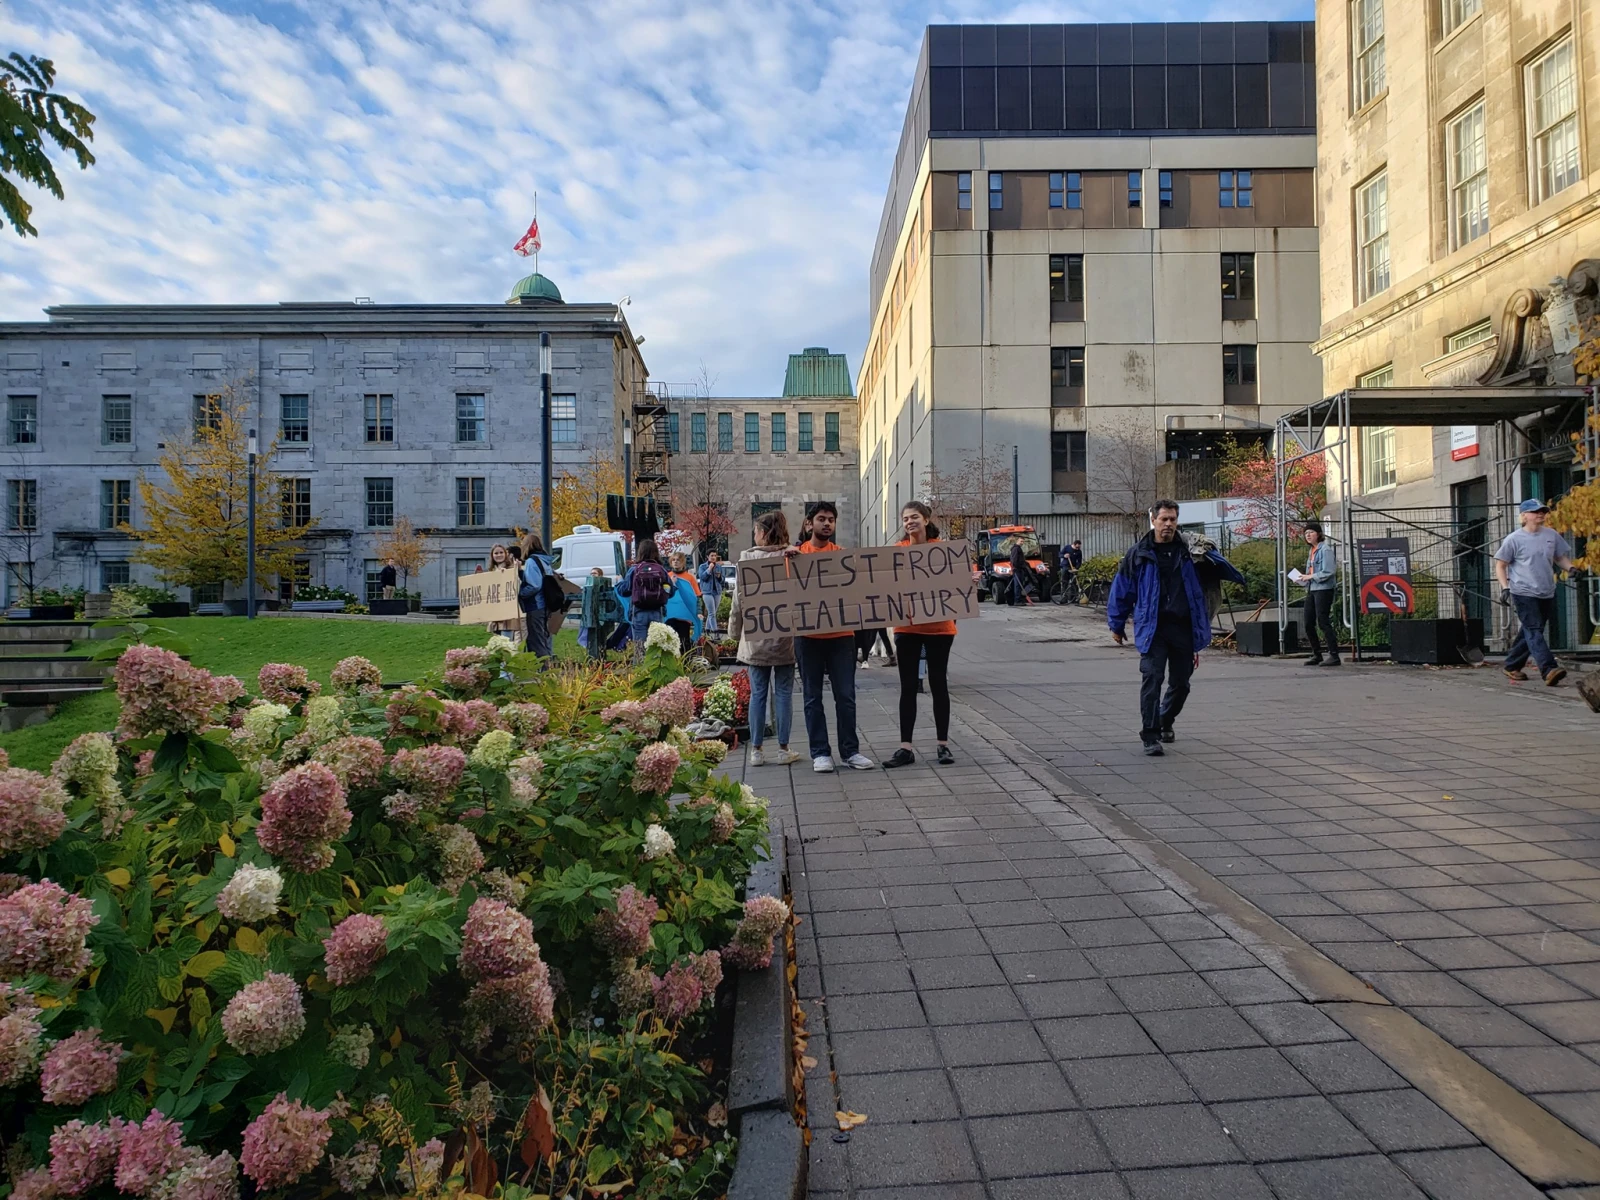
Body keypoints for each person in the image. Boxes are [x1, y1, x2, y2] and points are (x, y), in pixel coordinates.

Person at [1108, 499, 1244, 756]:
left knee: (1181, 684)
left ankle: (1165, 720)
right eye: (1164, 519)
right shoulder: (1138, 554)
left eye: (1172, 519)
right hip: (1153, 629)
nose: (1168, 524)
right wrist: (1116, 624)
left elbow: (1216, 572)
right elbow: (1122, 590)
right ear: (1153, 520)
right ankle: (1150, 735)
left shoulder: (1191, 552)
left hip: (1183, 628)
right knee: (1152, 679)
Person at [791, 501, 873, 772]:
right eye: (821, 519)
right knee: (812, 697)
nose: (827, 524)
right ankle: (820, 753)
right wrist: (785, 558)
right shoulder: (794, 557)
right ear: (809, 524)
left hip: (841, 636)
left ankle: (850, 751)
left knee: (846, 696)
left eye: (831, 520)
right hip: (807, 637)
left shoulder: (843, 557)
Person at [883, 500, 956, 769]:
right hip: (907, 628)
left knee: (939, 684)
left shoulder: (943, 551)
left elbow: (957, 585)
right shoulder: (896, 552)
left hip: (939, 628)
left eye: (914, 517)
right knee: (907, 687)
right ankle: (906, 748)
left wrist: (966, 581)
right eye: (905, 519)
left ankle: (943, 745)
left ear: (926, 520)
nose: (909, 522)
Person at [728, 510, 801, 767]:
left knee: (758, 693)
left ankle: (756, 750)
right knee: (783, 693)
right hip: (785, 636)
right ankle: (783, 748)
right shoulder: (793, 557)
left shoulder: (746, 560)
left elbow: (738, 601)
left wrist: (734, 634)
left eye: (757, 531)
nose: (754, 535)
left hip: (755, 636)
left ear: (764, 533)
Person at [1496, 498, 1575, 686]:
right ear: (1524, 516)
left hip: (1546, 590)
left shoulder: (1551, 535)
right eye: (1535, 511)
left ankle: (1511, 665)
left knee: (1532, 631)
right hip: (1523, 591)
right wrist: (1505, 587)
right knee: (1533, 630)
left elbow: (1559, 557)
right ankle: (1549, 669)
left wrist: (1571, 568)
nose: (1540, 514)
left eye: (1542, 511)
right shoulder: (1514, 539)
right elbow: (1500, 565)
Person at [615, 539, 676, 659]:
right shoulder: (661, 570)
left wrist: (619, 581)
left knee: (640, 648)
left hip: (638, 611)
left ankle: (640, 673)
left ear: (640, 552)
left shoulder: (634, 569)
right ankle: (656, 674)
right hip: (657, 611)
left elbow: (624, 591)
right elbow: (671, 592)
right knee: (656, 646)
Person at [1300, 522, 1340, 667]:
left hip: (1323, 589)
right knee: (1308, 622)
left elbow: (1329, 571)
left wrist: (1310, 577)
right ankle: (1317, 654)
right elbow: (1311, 571)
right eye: (1306, 533)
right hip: (1312, 589)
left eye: (1311, 532)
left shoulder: (1325, 550)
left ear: (1318, 534)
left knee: (1323, 621)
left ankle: (1334, 655)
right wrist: (1304, 578)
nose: (1308, 535)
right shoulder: (1312, 551)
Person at [519, 533, 557, 660]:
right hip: (546, 604)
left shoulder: (531, 561)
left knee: (536, 640)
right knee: (543, 637)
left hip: (535, 605)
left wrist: (520, 593)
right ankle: (547, 667)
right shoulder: (544, 560)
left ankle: (544, 671)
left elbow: (535, 585)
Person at [579, 566, 621, 661]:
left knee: (601, 636)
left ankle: (600, 655)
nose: (592, 575)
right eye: (591, 573)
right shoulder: (588, 586)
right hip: (591, 617)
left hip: (602, 616)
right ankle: (594, 655)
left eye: (595, 573)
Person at [665, 552, 704, 652]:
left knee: (684, 642)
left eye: (678, 560)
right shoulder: (667, 576)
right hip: (670, 615)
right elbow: (664, 594)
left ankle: (685, 665)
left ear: (683, 562)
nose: (675, 562)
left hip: (685, 616)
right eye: (673, 560)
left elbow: (697, 596)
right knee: (670, 643)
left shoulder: (690, 578)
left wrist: (699, 612)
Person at [486, 543, 521, 640]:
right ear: (492, 556)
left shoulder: (512, 567)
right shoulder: (492, 570)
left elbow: (517, 585)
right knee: (497, 643)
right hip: (496, 612)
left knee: (506, 642)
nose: (499, 555)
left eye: (501, 552)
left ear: (505, 554)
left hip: (508, 614)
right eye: (496, 553)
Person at [697, 551, 726, 637]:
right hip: (707, 592)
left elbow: (723, 580)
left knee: (713, 613)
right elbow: (702, 577)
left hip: (717, 591)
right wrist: (709, 569)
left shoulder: (718, 567)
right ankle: (716, 633)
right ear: (707, 556)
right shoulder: (702, 566)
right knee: (712, 613)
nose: (713, 557)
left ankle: (707, 630)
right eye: (711, 555)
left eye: (715, 555)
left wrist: (720, 577)